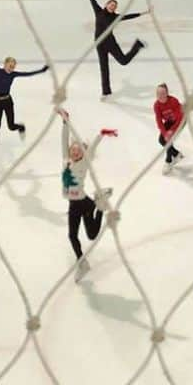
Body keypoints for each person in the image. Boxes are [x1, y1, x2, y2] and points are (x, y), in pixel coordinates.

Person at [58, 108, 117, 281]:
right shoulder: (65, 159)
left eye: (78, 150)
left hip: (83, 203)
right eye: (73, 149)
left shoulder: (84, 162)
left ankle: (100, 206)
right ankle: (82, 263)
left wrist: (100, 135)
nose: (74, 152)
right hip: (75, 204)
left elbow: (92, 148)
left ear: (83, 154)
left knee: (90, 235)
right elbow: (64, 139)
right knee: (74, 235)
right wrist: (65, 121)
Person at [88, 0, 149, 98]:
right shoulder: (98, 11)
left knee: (124, 61)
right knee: (104, 68)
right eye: (111, 4)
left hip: (110, 43)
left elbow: (128, 16)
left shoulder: (115, 17)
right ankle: (106, 92)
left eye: (114, 6)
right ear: (106, 5)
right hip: (99, 43)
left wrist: (144, 13)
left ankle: (137, 45)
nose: (112, 7)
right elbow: (92, 0)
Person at [0, 37, 48, 139]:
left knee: (11, 126)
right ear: (5, 64)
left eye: (13, 66)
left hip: (7, 101)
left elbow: (28, 74)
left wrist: (41, 71)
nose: (12, 68)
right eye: (10, 66)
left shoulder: (13, 74)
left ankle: (21, 127)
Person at [153, 83, 185, 172]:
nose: (160, 96)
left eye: (163, 93)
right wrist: (165, 133)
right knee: (161, 140)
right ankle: (176, 154)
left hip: (180, 121)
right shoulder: (157, 105)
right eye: (158, 94)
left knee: (168, 140)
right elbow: (159, 121)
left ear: (167, 93)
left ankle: (168, 161)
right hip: (170, 121)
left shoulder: (173, 101)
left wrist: (171, 131)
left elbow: (180, 119)